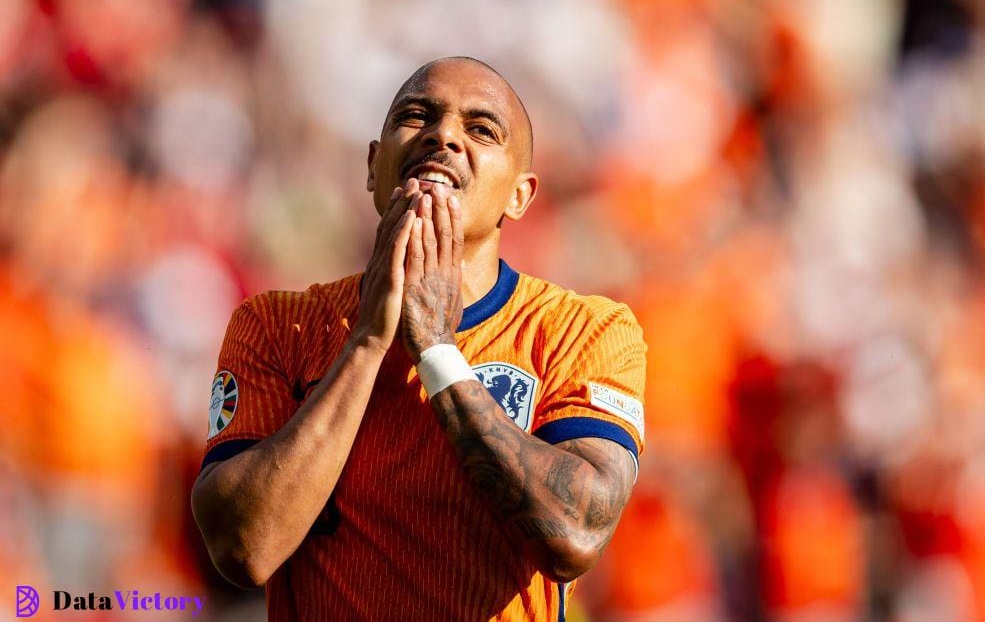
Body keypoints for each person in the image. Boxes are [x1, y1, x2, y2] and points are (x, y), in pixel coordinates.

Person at [191, 57, 647, 621]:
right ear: (373, 163)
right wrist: (366, 342)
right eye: (417, 115)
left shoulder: (583, 331)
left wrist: (435, 349)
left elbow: (576, 534)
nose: (443, 135)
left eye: (481, 130)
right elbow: (243, 550)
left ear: (520, 196)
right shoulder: (278, 327)